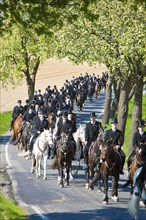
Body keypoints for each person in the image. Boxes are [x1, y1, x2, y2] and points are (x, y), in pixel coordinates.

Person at [123, 120, 146, 187]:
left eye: (142, 127)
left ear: (143, 127)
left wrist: (143, 148)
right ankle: (129, 175)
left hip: (144, 151)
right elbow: (134, 143)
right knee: (129, 160)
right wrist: (137, 148)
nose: (141, 128)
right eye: (140, 127)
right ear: (138, 128)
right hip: (136, 151)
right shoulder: (135, 135)